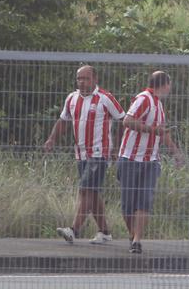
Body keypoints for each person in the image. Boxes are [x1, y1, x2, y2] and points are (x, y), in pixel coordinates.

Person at [44, 65, 124, 245]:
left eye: (86, 78)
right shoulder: (72, 98)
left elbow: (123, 120)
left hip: (99, 153)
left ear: (95, 79)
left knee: (85, 189)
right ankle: (105, 232)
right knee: (93, 193)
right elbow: (63, 121)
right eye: (79, 78)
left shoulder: (105, 98)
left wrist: (116, 148)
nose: (81, 82)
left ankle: (73, 230)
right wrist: (52, 139)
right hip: (80, 153)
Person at [118, 71, 184, 255]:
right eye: (169, 84)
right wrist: (152, 130)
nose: (170, 88)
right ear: (165, 84)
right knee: (128, 204)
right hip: (130, 158)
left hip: (151, 161)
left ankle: (137, 240)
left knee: (144, 201)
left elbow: (162, 132)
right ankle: (132, 235)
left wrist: (176, 152)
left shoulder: (159, 105)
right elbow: (127, 121)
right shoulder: (144, 99)